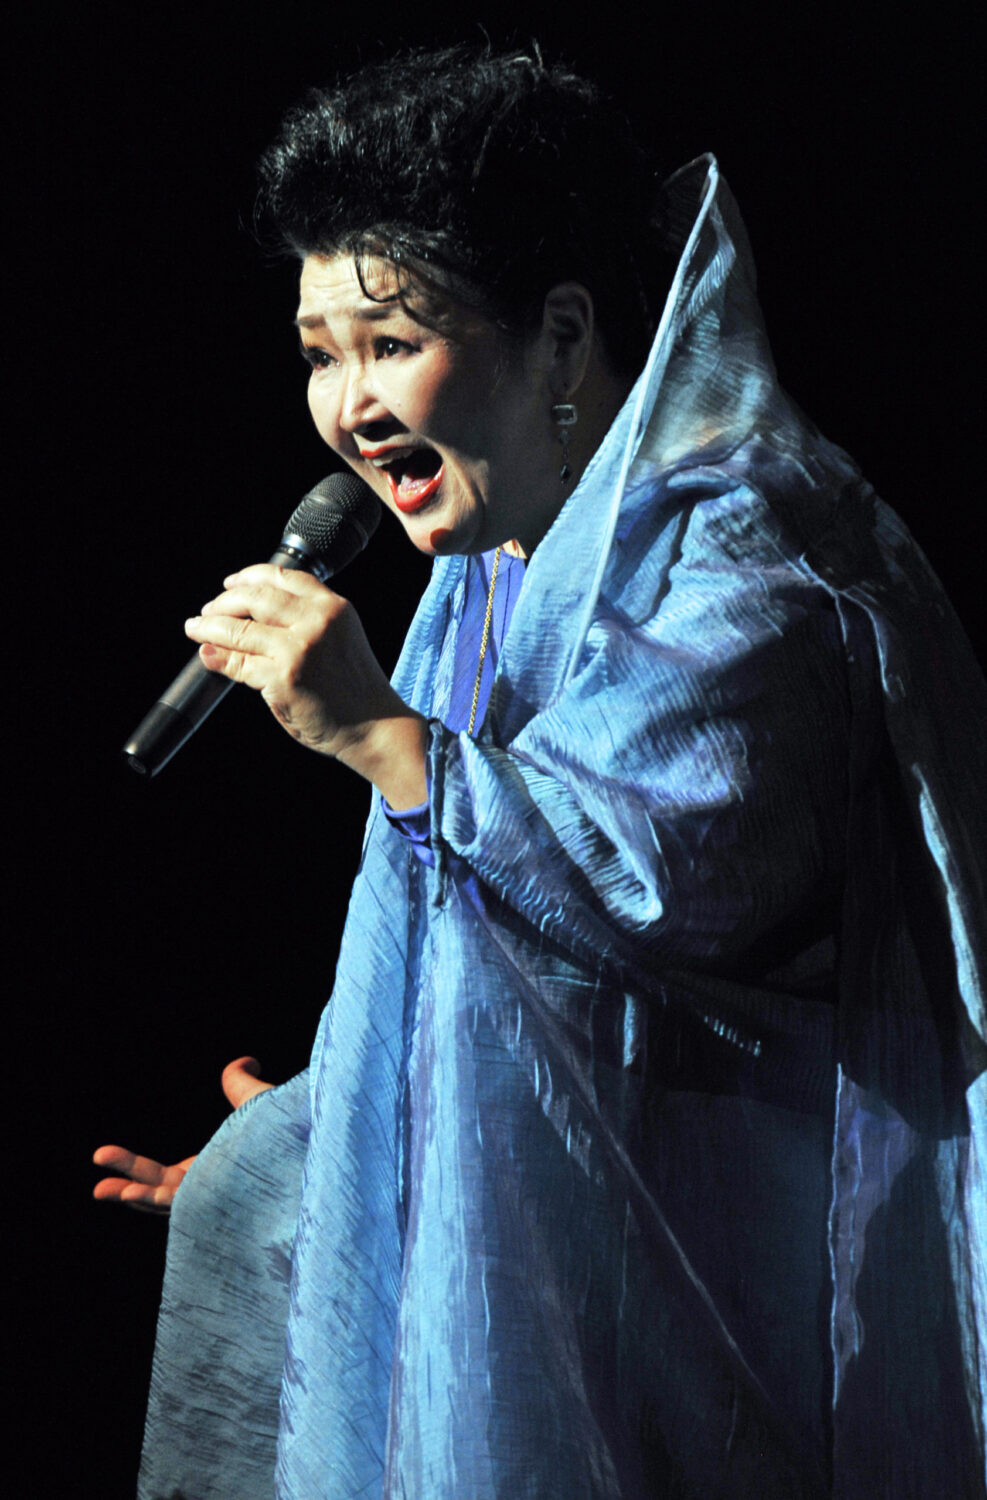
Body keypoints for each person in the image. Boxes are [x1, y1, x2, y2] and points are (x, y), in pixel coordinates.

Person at [94, 45, 987, 1500]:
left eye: (392, 343)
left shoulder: (751, 549)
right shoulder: (494, 560)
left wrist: (386, 740)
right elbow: (489, 942)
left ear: (562, 337)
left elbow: (658, 883)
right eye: (320, 355)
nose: (349, 406)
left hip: (721, 1318)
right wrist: (323, 1157)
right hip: (565, 1279)